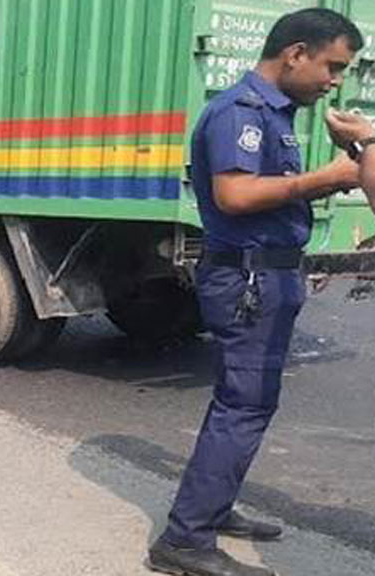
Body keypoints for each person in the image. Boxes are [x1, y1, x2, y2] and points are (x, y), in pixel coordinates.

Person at [147, 9, 363, 576]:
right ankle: (184, 541)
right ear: (295, 54)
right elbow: (236, 195)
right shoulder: (240, 112)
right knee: (242, 406)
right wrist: (329, 177)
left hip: (266, 275)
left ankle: (209, 510)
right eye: (332, 67)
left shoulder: (275, 112)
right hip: (249, 279)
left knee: (248, 404)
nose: (334, 81)